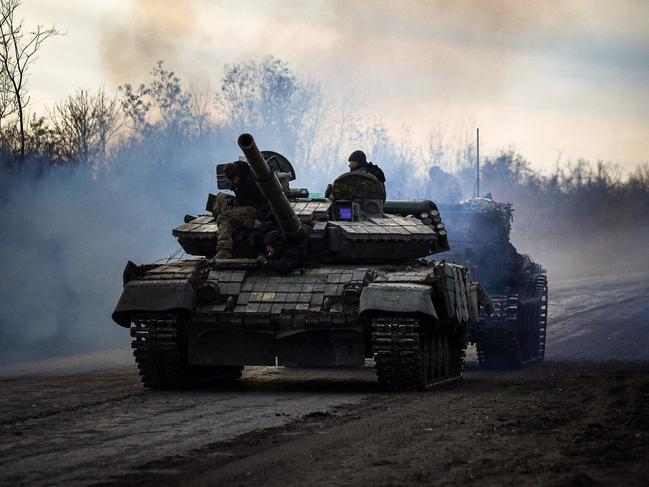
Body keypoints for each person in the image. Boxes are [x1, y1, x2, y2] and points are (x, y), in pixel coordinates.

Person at [213, 161, 271, 260]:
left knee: (223, 217)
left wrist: (260, 219)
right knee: (220, 200)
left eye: (235, 179)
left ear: (238, 174)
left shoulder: (252, 181)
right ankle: (245, 222)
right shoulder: (237, 177)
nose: (235, 181)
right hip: (243, 205)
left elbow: (265, 201)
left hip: (254, 208)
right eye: (232, 180)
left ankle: (224, 250)